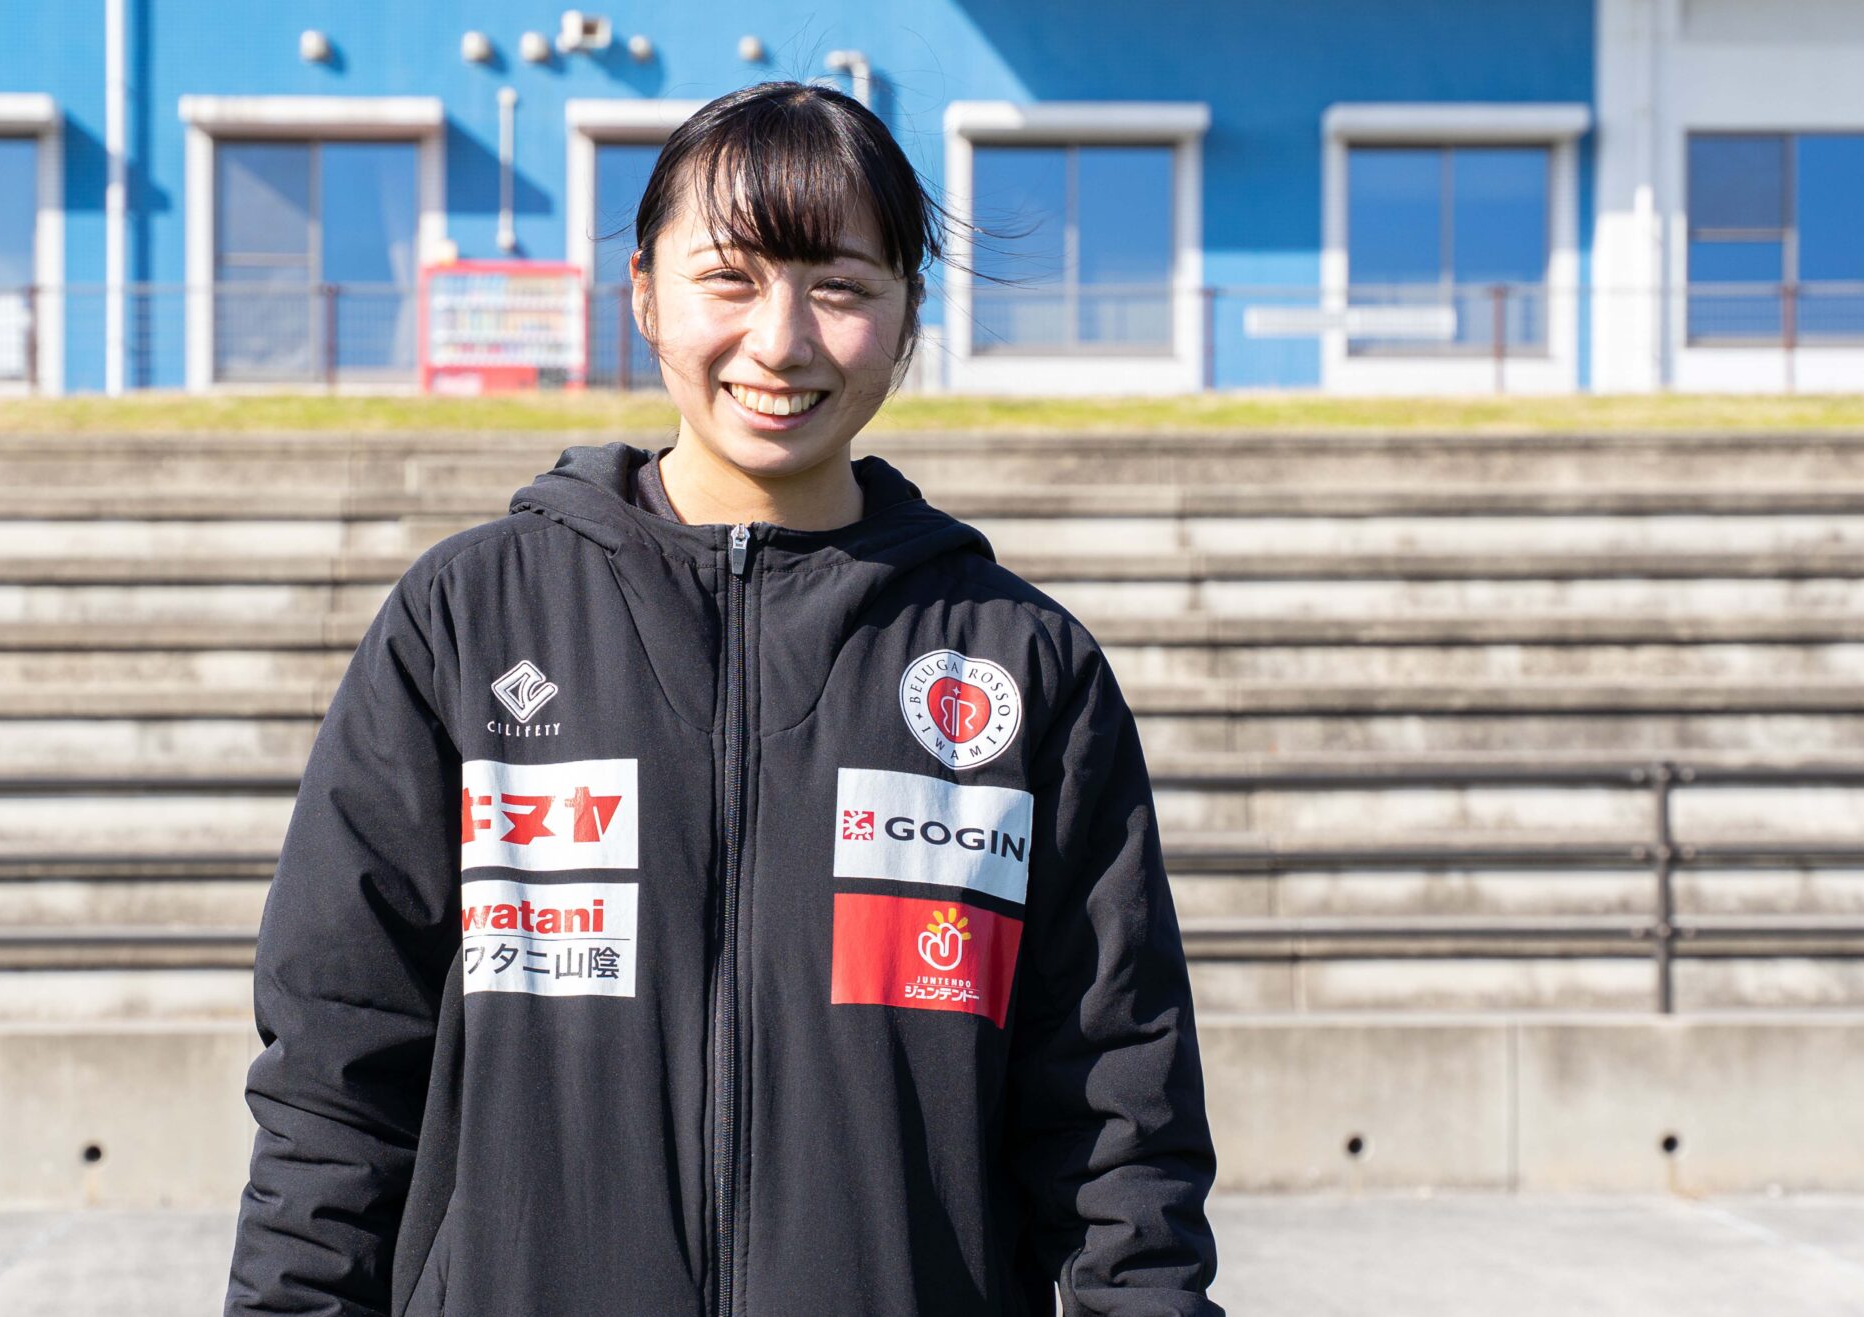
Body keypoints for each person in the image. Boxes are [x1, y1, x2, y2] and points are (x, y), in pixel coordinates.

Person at [224, 80, 1220, 1317]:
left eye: (841, 287)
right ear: (644, 291)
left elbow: (1119, 1113)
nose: (782, 341)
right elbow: (334, 1068)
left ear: (908, 314)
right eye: (729, 279)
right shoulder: (466, 623)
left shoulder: (1021, 666)